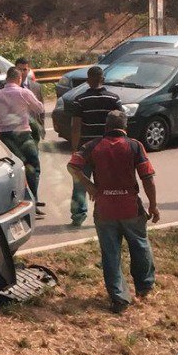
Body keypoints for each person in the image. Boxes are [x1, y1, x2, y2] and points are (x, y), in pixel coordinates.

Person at [67, 110, 160, 313]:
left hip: (104, 209)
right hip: (130, 208)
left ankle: (119, 298)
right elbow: (147, 177)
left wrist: (89, 185)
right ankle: (144, 288)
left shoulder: (92, 146)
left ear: (106, 127)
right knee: (140, 245)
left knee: (110, 254)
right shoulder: (135, 145)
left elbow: (72, 166)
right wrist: (153, 204)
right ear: (125, 127)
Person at [66, 66, 122, 227]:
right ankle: (109, 213)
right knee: (108, 182)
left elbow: (76, 126)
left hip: (86, 148)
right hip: (107, 148)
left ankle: (78, 215)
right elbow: (120, 123)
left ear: (88, 80)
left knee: (80, 182)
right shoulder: (114, 99)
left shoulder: (80, 100)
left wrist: (75, 148)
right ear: (102, 79)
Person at [0, 67, 45, 209]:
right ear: (19, 79)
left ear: (6, 79)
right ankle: (33, 200)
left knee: (11, 170)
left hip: (6, 137)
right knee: (33, 166)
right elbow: (40, 109)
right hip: (24, 135)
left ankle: (14, 201)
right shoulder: (24, 92)